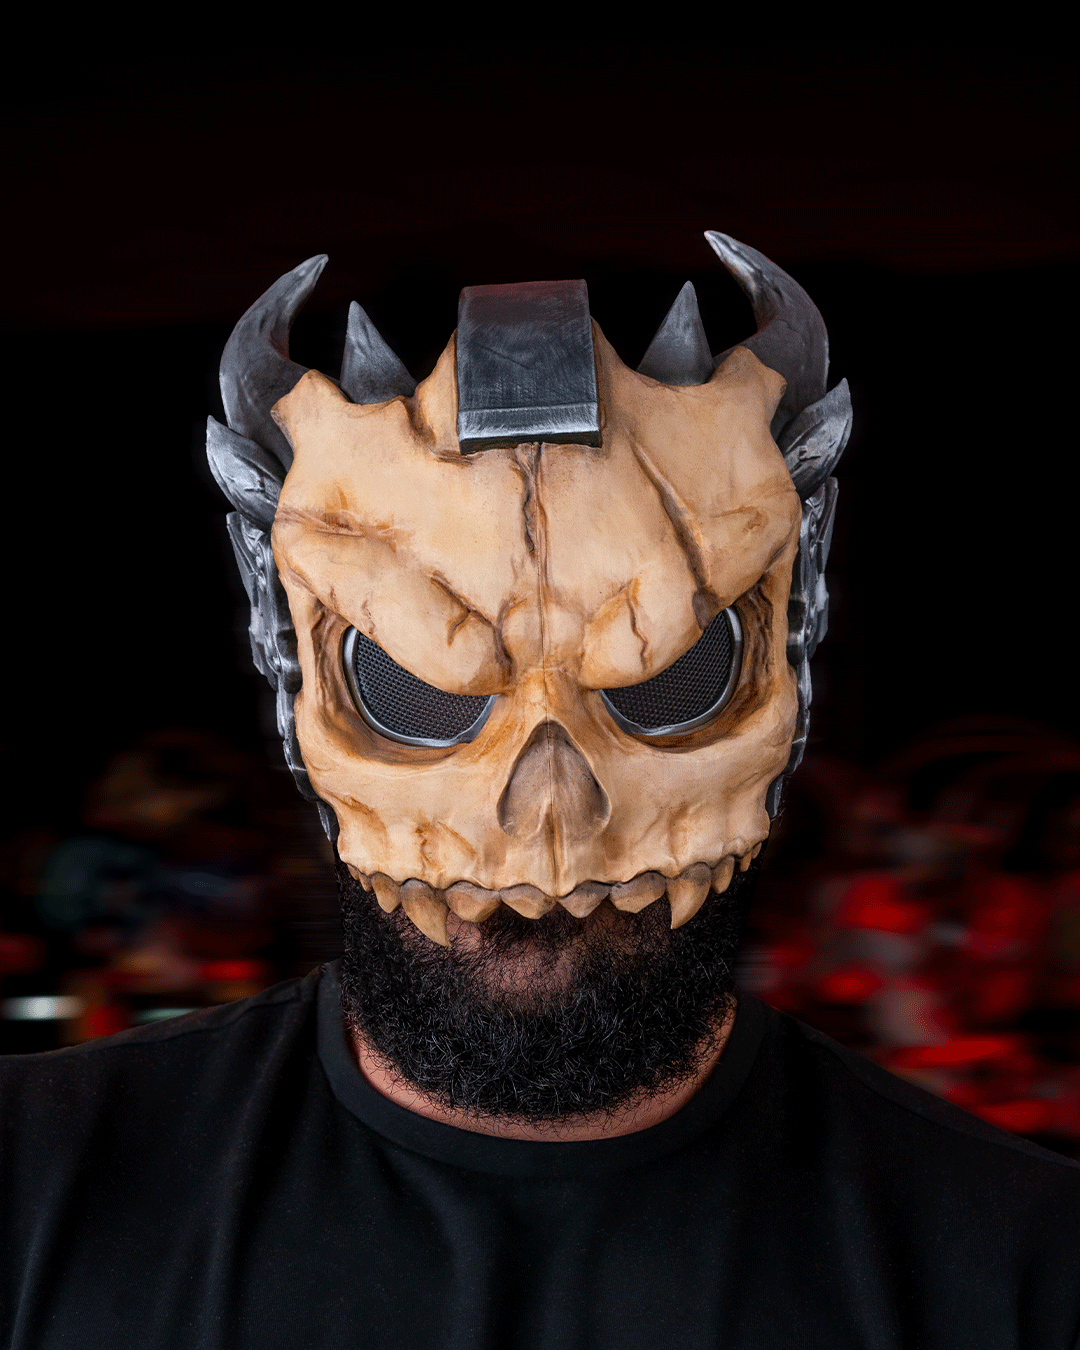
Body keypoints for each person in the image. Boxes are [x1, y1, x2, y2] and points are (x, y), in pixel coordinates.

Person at [2, 234, 1078, 1349]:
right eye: (415, 690)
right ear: (287, 662)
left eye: (673, 678)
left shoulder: (1022, 1267)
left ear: (795, 649)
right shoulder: (31, 1179)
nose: (552, 813)